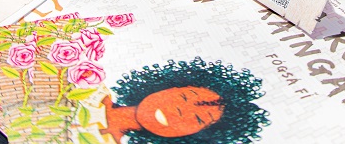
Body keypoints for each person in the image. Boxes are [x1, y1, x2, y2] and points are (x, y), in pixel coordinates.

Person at [101, 57, 269, 144]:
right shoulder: (91, 88)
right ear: (167, 86)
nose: (181, 110)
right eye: (184, 97)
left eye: (198, 119)